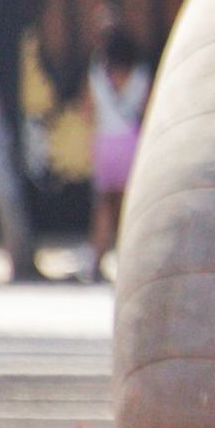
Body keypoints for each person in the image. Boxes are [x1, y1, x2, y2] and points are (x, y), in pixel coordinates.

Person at [82, 24, 151, 283]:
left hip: (104, 145)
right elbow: (148, 109)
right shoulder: (141, 75)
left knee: (102, 207)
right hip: (131, 146)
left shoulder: (98, 75)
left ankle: (96, 263)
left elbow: (87, 110)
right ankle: (129, 265)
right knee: (127, 210)